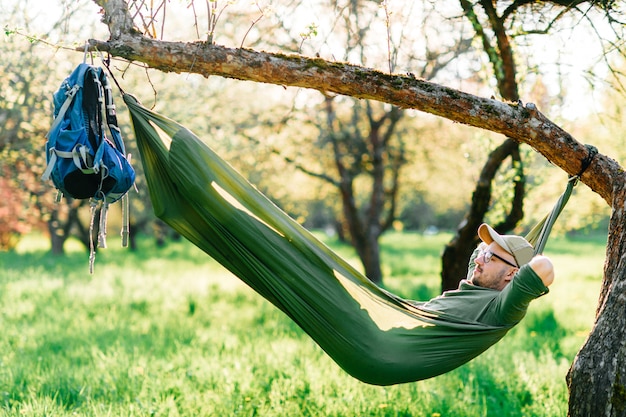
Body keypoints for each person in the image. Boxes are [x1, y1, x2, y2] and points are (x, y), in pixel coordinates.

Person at [418, 223, 555, 327]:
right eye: (484, 254)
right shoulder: (478, 278)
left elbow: (544, 266)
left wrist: (526, 259)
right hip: (412, 316)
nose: (478, 260)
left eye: (490, 257)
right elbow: (481, 247)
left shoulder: (501, 309)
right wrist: (491, 251)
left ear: (512, 273)